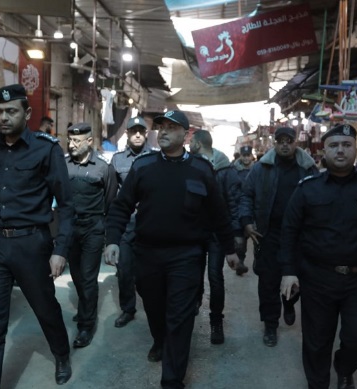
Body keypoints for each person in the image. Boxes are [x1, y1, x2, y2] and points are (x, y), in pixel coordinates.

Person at [103, 110, 239, 389]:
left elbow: (218, 212)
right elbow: (121, 206)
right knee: (154, 307)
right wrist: (113, 240)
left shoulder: (201, 169)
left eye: (171, 127)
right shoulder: (144, 167)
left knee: (180, 315)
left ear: (186, 135)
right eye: (161, 127)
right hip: (148, 253)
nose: (163, 131)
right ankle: (159, 340)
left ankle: (172, 380)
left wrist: (229, 248)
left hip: (186, 255)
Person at [279, 123, 357, 389]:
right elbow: (289, 232)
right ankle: (318, 384)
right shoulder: (307, 189)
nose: (340, 150)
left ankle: (345, 367)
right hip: (317, 277)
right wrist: (289, 271)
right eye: (334, 145)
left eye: (346, 145)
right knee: (316, 339)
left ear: (355, 149)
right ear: (324, 151)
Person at [0, 84, 74, 386]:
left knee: (45, 307)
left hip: (31, 244)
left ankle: (61, 352)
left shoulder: (46, 149)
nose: (4, 118)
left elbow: (67, 204)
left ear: (27, 113)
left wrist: (60, 250)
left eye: (11, 111)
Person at [239, 127, 318, 347]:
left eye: (289, 140)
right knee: (268, 281)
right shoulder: (261, 168)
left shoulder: (308, 168)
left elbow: (319, 197)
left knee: (295, 278)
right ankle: (270, 325)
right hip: (269, 233)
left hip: (299, 236)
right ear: (274, 143)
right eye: (280, 141)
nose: (284, 144)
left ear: (296, 143)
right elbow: (246, 195)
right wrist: (246, 220)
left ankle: (289, 302)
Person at [66, 122, 118, 348]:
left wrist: (108, 235)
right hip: (69, 228)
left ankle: (86, 326)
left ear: (89, 142)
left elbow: (110, 201)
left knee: (88, 278)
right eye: (70, 140)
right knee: (76, 275)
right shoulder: (63, 165)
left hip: (93, 229)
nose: (71, 145)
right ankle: (86, 308)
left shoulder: (103, 168)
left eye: (76, 141)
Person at [189, 129, 242, 345]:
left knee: (215, 276)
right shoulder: (190, 166)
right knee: (193, 273)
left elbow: (233, 203)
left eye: (191, 141)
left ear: (198, 143)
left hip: (217, 234)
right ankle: (195, 303)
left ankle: (216, 321)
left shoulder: (226, 170)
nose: (189, 144)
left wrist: (235, 234)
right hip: (195, 232)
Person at [110, 116, 156, 328]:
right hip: (126, 224)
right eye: (133, 131)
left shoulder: (157, 158)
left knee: (150, 271)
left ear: (146, 134)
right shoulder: (118, 160)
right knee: (124, 270)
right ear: (127, 134)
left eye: (141, 131)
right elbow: (111, 196)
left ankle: (154, 309)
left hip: (149, 224)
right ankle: (128, 309)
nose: (137, 134)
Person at [231, 145, 256, 275]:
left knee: (250, 239)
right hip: (236, 209)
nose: (246, 158)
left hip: (251, 210)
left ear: (251, 156)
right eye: (244, 155)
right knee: (239, 241)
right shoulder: (233, 170)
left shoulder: (258, 169)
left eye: (248, 155)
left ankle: (246, 261)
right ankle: (240, 263)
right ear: (240, 156)